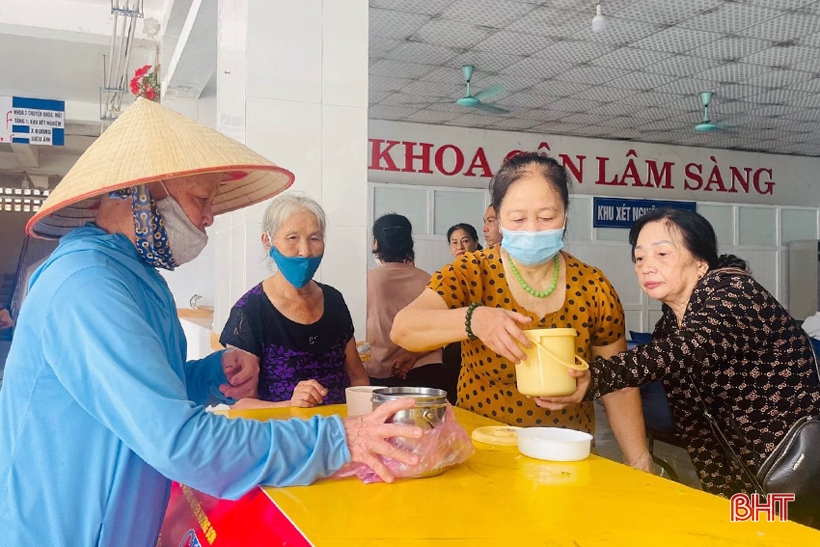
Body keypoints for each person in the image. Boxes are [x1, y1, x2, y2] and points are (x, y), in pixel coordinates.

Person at [0, 99, 422, 547]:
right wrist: (339, 438)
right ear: (137, 190)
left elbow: (135, 394)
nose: (208, 217)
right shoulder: (88, 285)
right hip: (65, 529)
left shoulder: (136, 278)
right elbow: (181, 443)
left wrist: (205, 377)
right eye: (201, 198)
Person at [536, 208, 820, 517]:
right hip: (748, 486)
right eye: (640, 258)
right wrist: (722, 502)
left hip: (799, 466)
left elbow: (690, 348)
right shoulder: (669, 326)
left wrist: (596, 376)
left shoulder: (735, 293)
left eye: (662, 254)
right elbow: (696, 430)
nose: (647, 267)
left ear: (700, 262)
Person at [392, 152, 652, 471]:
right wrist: (474, 319)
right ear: (498, 219)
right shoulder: (472, 272)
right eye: (517, 219)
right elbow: (404, 328)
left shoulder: (593, 286)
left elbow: (620, 385)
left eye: (546, 217)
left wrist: (640, 462)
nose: (532, 229)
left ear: (566, 215)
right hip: (481, 458)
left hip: (567, 459)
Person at [219, 194, 370, 408]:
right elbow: (239, 403)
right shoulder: (250, 311)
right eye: (292, 238)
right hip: (282, 435)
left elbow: (357, 378)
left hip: (339, 432)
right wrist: (290, 405)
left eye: (314, 238)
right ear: (267, 241)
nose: (305, 251)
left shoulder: (334, 301)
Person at [367, 213, 443, 389]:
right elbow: (441, 331)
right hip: (425, 369)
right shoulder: (429, 280)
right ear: (409, 243)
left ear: (376, 244)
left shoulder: (367, 281)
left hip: (381, 372)